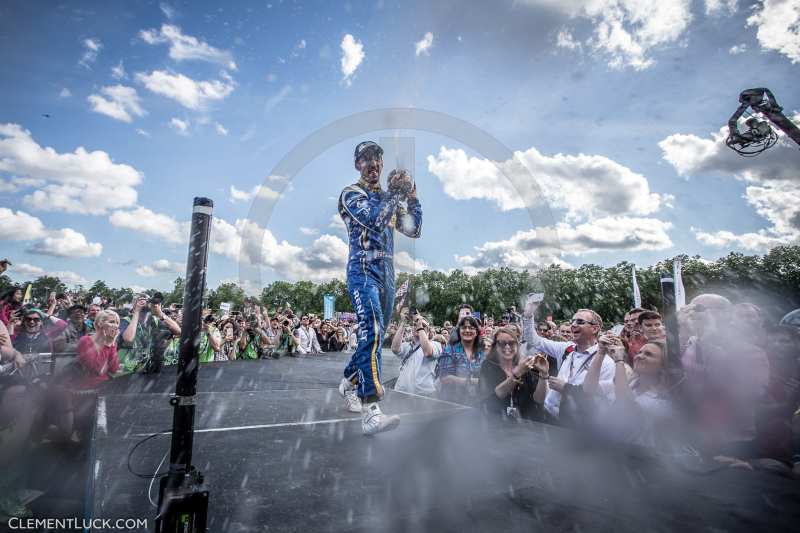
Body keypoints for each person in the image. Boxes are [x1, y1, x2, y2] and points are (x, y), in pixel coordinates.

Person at [336, 140, 423, 435]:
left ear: (382, 164)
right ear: (357, 164)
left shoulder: (389, 199)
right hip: (362, 269)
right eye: (366, 159)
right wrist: (395, 194)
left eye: (377, 159)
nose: (372, 164)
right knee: (371, 330)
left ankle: (349, 379)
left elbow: (414, 230)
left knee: (372, 337)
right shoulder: (351, 194)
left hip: (387, 272)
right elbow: (374, 221)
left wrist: (411, 196)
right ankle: (370, 410)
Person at [522, 298, 615, 424]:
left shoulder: (606, 363)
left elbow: (600, 400)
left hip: (577, 427)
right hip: (549, 418)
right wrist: (528, 315)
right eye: (573, 321)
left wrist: (566, 389)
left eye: (580, 321)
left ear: (594, 329)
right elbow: (533, 339)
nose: (573, 325)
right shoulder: (566, 348)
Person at [479, 327, 548, 421]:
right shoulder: (488, 365)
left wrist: (543, 374)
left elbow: (539, 399)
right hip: (496, 421)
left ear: (517, 345)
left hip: (525, 423)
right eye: (502, 343)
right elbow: (496, 394)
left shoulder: (526, 365)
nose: (507, 347)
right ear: (495, 346)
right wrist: (518, 373)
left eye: (511, 343)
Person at [119, 293, 181, 373]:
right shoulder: (125, 320)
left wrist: (160, 313)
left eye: (148, 300)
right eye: (141, 300)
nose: (146, 303)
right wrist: (137, 311)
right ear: (134, 304)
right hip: (126, 370)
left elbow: (178, 331)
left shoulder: (154, 321)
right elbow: (128, 339)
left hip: (146, 368)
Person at [391, 308, 441, 396]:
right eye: (415, 325)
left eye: (423, 326)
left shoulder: (436, 344)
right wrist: (403, 323)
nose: (417, 326)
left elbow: (428, 353)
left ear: (429, 332)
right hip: (401, 392)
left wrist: (420, 326)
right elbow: (395, 349)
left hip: (423, 395)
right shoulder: (408, 345)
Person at [436, 315, 485, 405]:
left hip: (476, 403)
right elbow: (444, 377)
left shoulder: (481, 352)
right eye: (464, 328)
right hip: (452, 403)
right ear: (459, 331)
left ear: (477, 332)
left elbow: (486, 377)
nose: (467, 330)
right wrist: (470, 381)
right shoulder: (450, 350)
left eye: (471, 328)